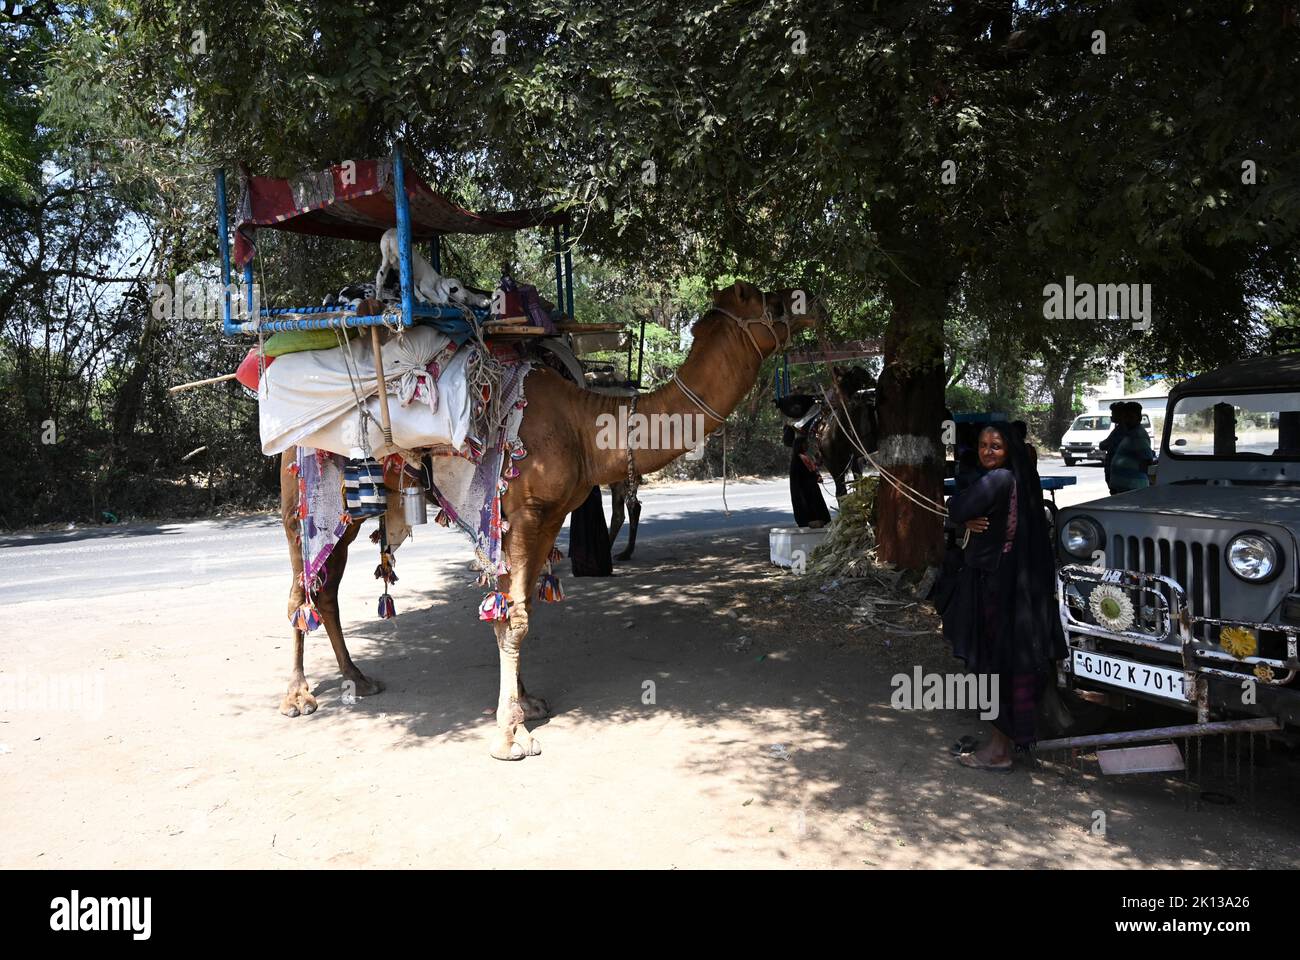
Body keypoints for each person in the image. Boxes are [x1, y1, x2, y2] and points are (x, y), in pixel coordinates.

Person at [941, 422, 1067, 770]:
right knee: (1008, 662)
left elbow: (955, 508)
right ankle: (1004, 743)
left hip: (997, 586)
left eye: (996, 446)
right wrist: (967, 519)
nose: (987, 451)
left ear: (1008, 450)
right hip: (1012, 584)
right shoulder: (1018, 479)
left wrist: (963, 516)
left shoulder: (997, 480)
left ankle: (998, 752)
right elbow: (965, 513)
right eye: (982, 445)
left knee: (998, 664)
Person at [1106, 402, 1154, 494]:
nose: (1127, 420)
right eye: (1125, 417)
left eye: (1130, 417)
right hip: (1124, 488)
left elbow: (1147, 462)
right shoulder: (1130, 433)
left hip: (1131, 488)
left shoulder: (1138, 435)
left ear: (1139, 418)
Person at [1098, 401, 1125, 490]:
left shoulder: (1121, 430)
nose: (1111, 416)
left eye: (1113, 413)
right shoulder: (1119, 428)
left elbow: (1104, 444)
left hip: (1118, 471)